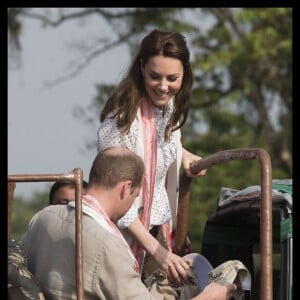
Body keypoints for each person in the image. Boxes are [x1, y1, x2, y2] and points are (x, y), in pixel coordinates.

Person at [20, 146, 235, 299]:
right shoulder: (107, 246)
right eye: (135, 196)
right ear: (125, 188)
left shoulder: (44, 217)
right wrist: (211, 295)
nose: (133, 203)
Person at [97, 29, 206, 283]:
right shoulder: (122, 121)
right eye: (155, 77)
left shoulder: (168, 107)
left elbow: (163, 146)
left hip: (158, 227)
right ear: (142, 68)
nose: (163, 86)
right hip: (124, 237)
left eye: (172, 78)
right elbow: (114, 197)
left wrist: (184, 156)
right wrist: (159, 252)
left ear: (184, 75)